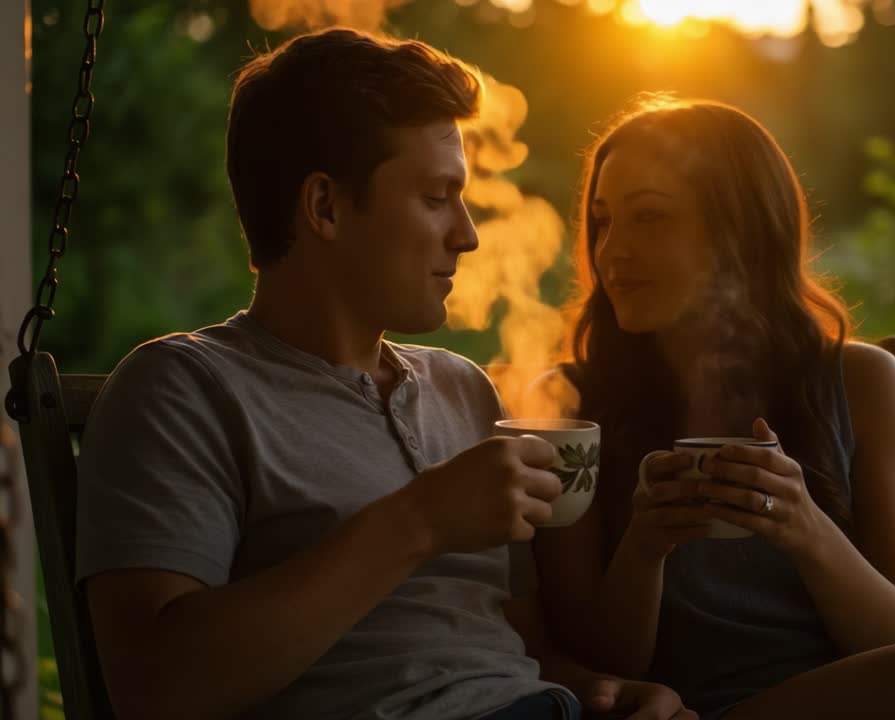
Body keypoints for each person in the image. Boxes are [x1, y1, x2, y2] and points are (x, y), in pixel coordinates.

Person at [74, 29, 693, 720]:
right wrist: (418, 521)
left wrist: (598, 689)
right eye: (435, 197)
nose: (468, 235)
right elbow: (156, 688)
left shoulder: (463, 390)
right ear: (325, 207)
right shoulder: (183, 391)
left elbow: (511, 645)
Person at [531, 96, 895, 719]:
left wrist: (803, 525)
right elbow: (599, 670)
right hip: (689, 712)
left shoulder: (861, 383)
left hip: (860, 703)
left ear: (739, 231)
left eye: (649, 217)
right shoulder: (569, 406)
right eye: (602, 222)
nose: (611, 250)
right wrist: (644, 547)